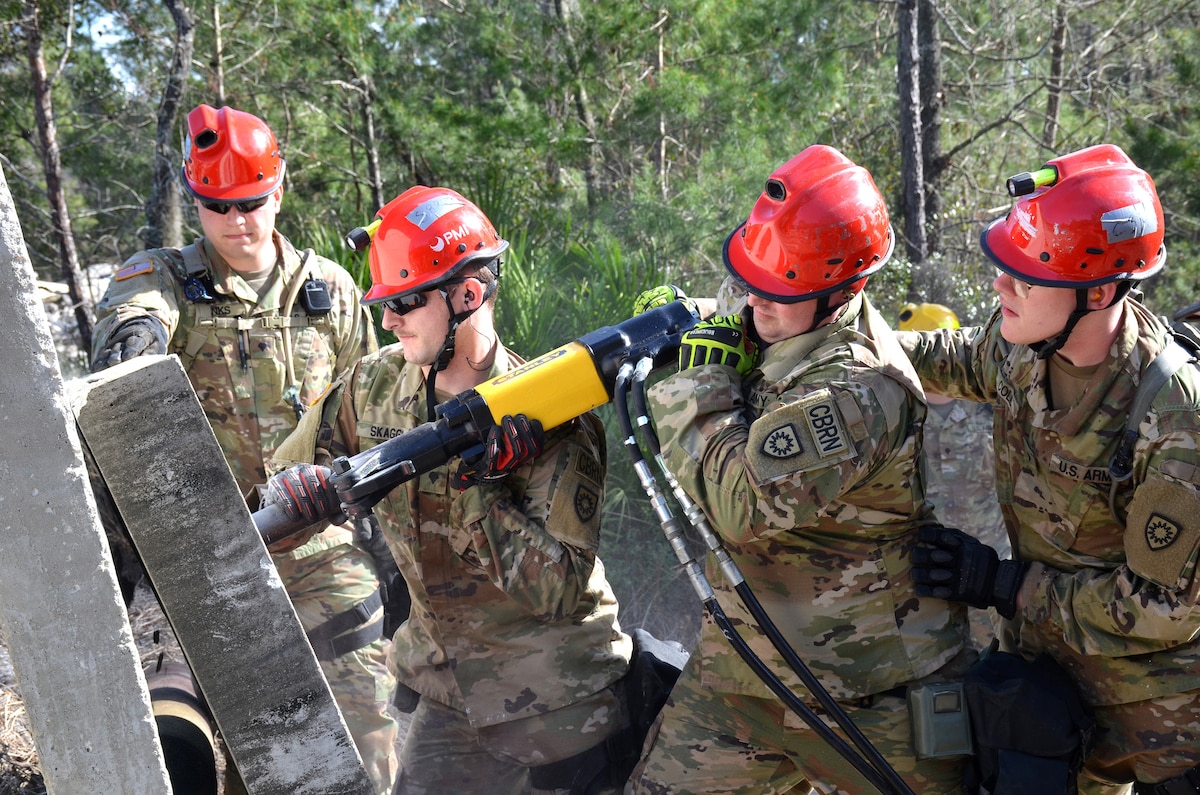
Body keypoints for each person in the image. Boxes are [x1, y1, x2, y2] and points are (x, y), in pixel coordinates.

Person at [267, 185, 637, 795]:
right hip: (450, 693)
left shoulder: (552, 418)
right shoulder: (375, 384)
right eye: (384, 303)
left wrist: (481, 488)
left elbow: (558, 593)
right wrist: (300, 498)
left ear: (467, 295)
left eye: (405, 302)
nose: (387, 320)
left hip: (557, 699)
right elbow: (283, 485)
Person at [629, 144, 973, 795]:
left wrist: (698, 376)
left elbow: (739, 504)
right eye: (754, 276)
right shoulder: (783, 316)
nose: (756, 297)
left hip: (866, 696)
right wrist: (684, 314)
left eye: (781, 286)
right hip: (744, 675)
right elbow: (751, 314)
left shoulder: (860, 386)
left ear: (846, 289)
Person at [89, 103, 399, 794]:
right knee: (206, 748)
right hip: (195, 556)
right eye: (215, 205)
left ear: (280, 189)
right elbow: (131, 323)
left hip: (315, 551)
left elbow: (365, 415)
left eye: (251, 203)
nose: (236, 221)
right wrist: (132, 346)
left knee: (357, 743)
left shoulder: (333, 293)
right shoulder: (162, 276)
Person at [899, 143, 1200, 794]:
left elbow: (1163, 608)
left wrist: (1009, 585)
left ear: (1097, 290)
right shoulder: (1020, 351)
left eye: (1027, 274)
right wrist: (823, 332)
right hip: (1051, 684)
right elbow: (943, 356)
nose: (1000, 284)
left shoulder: (1174, 414)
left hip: (1162, 714)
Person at [897, 302, 1009, 649]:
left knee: (1000, 661)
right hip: (926, 570)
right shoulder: (899, 409)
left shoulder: (992, 406)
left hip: (992, 567)